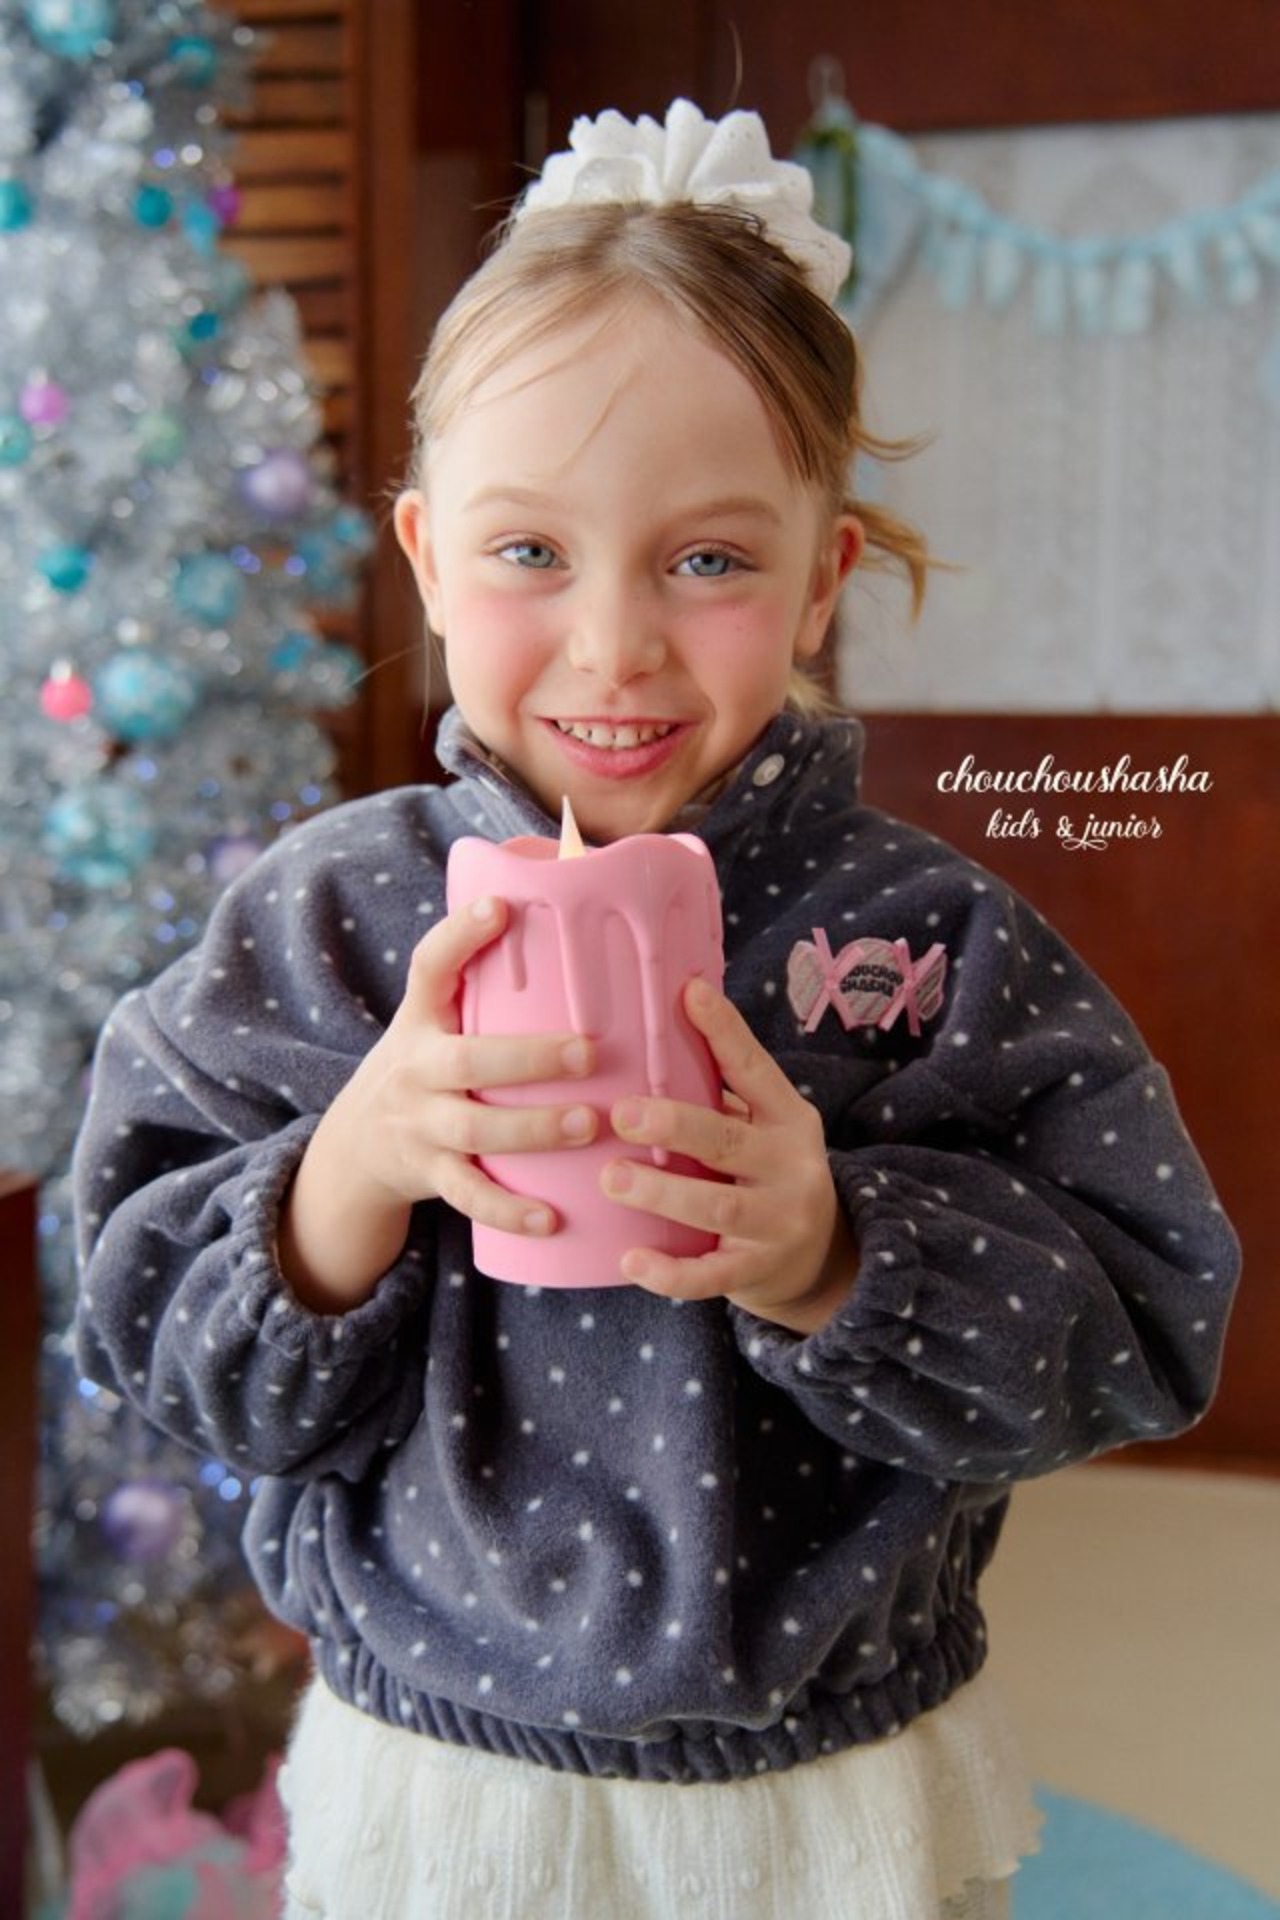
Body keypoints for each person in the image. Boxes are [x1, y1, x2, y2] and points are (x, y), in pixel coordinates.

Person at [73, 100, 1240, 1920]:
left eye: (708, 561)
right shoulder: (326, 924)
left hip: (834, 1788)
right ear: (426, 555)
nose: (614, 643)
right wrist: (353, 1168)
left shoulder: (926, 939)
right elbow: (153, 1333)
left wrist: (838, 1254)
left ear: (824, 576)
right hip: (437, 1779)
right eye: (530, 553)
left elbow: (1146, 1327)